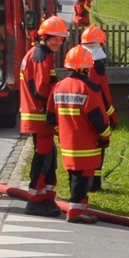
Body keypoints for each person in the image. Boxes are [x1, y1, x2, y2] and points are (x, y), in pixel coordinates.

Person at [51, 46, 111, 222]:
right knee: (83, 177)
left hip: (67, 142)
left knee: (73, 174)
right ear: (88, 67)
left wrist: (59, 133)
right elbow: (98, 119)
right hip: (86, 144)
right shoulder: (89, 88)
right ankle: (75, 212)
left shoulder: (58, 86)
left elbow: (50, 116)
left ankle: (76, 208)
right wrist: (105, 137)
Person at [17, 17, 66, 215]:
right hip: (39, 115)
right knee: (44, 158)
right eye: (54, 38)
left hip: (38, 115)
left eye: (61, 39)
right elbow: (41, 90)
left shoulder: (40, 54)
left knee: (49, 156)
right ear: (44, 37)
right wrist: (60, 93)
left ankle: (45, 197)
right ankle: (36, 201)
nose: (58, 42)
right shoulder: (41, 57)